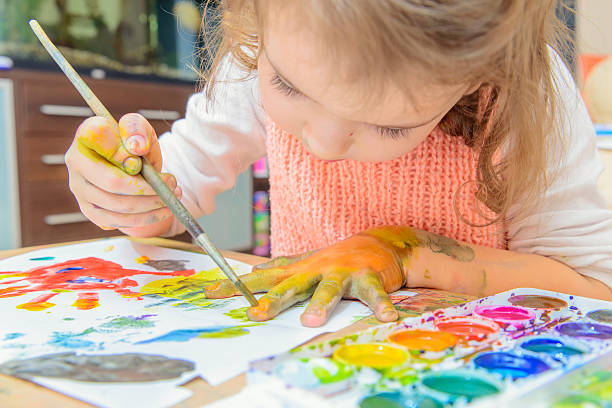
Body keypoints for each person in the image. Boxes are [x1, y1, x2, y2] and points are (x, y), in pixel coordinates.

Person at [64, 0, 612, 327]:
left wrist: (405, 252)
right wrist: (134, 190)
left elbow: (593, 290)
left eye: (391, 126)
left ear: (480, 74)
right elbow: (173, 200)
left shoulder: (525, 98)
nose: (322, 144)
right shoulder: (265, 46)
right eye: (287, 85)